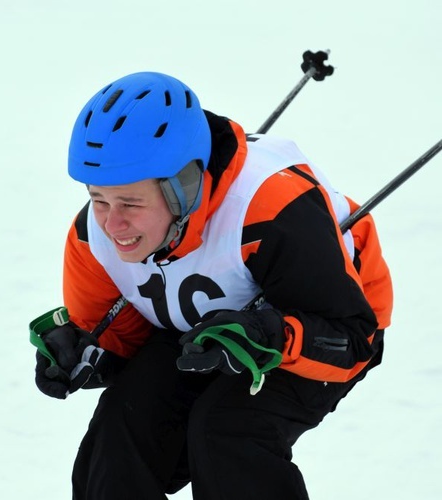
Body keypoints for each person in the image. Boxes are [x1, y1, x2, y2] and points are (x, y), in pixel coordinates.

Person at [31, 71, 392, 499]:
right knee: (121, 428)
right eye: (99, 198)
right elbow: (121, 337)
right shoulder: (93, 239)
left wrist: (270, 336)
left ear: (183, 189)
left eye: (131, 203)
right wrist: (85, 349)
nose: (113, 223)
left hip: (313, 329)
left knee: (227, 432)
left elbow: (353, 341)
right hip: (195, 329)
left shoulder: (274, 213)